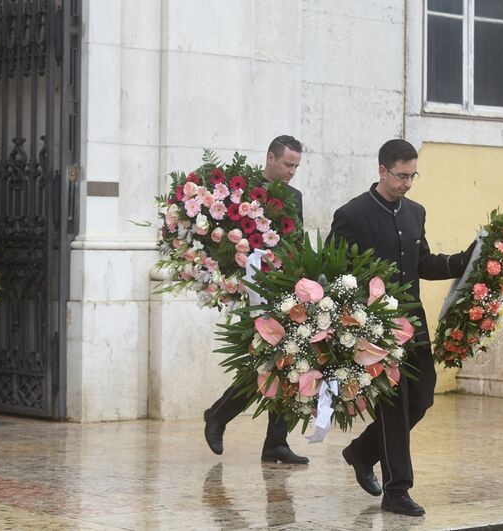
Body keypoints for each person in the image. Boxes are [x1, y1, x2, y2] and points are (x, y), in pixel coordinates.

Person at [326, 139, 474, 516]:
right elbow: (332, 272)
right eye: (401, 176)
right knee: (394, 408)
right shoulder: (352, 214)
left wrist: (462, 260)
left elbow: (422, 262)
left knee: (422, 398)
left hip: (415, 327)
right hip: (375, 333)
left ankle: (361, 452)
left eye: (412, 176)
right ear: (382, 170)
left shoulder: (415, 212)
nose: (407, 183)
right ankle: (397, 490)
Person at [203, 135, 309, 465]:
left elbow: (296, 242)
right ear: (270, 158)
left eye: (296, 166)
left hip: (284, 288)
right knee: (263, 363)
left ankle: (276, 442)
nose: (292, 171)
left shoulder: (295, 196)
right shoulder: (244, 192)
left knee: (291, 359)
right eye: (288, 164)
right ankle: (219, 415)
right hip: (251, 289)